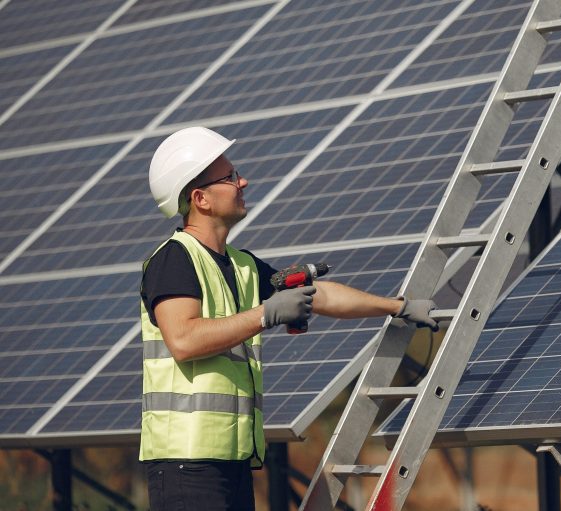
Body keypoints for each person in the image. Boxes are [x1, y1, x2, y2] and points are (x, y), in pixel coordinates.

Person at [140, 126, 438, 511]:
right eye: (230, 177)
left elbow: (321, 295)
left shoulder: (242, 265)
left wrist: (396, 306)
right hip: (185, 464)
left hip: (231, 461)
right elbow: (183, 340)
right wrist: (266, 314)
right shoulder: (174, 259)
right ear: (201, 198)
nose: (242, 181)